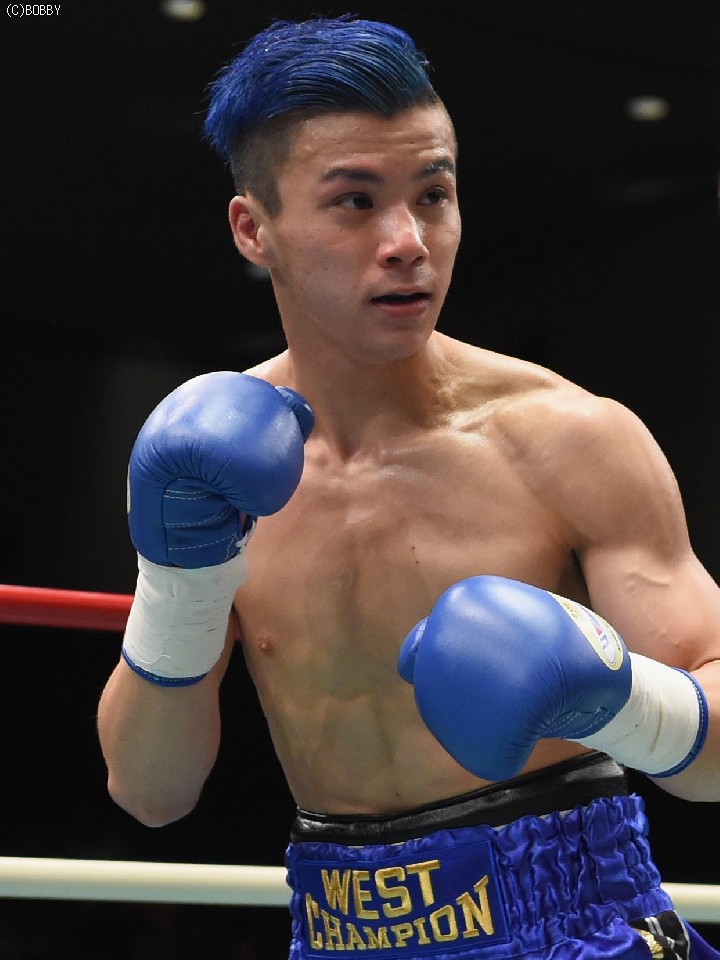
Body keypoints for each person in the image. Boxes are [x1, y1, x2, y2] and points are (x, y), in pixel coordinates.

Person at [97, 15, 720, 959]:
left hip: (574, 923)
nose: (407, 241)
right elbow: (150, 792)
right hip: (336, 928)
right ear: (254, 229)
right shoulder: (209, 467)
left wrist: (618, 699)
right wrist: (180, 583)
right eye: (355, 202)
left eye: (433, 194)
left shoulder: (570, 440)